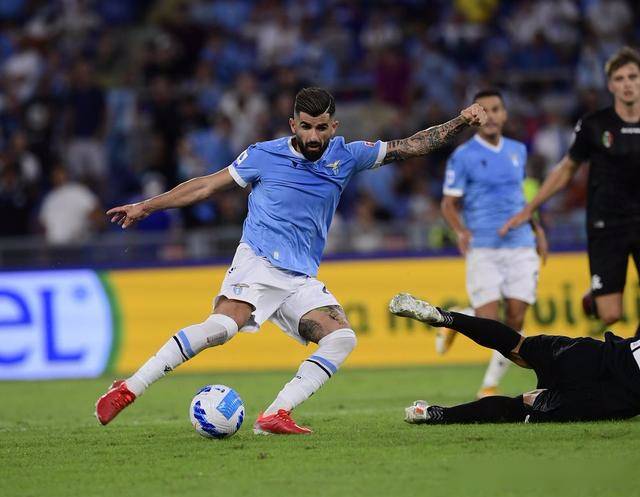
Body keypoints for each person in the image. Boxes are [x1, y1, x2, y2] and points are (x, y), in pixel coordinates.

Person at [95, 87, 487, 434]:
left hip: (299, 277)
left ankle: (275, 413)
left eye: (321, 128)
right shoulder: (263, 155)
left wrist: (461, 121)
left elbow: (412, 145)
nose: (313, 136)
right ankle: (130, 387)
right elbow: (206, 186)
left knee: (341, 338)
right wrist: (147, 206)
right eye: (306, 127)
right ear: (293, 124)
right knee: (223, 327)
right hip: (258, 262)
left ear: (334, 126)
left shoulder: (347, 155)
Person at [501, 46, 640, 337]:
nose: (627, 84)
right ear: (610, 85)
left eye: (633, 77)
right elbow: (566, 169)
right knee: (611, 314)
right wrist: (529, 208)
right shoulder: (595, 125)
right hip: (607, 223)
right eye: (620, 78)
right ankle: (594, 299)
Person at [440, 90, 547, 398]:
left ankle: (489, 385)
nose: (490, 115)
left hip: (521, 243)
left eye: (496, 109)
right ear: (475, 117)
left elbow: (519, 198)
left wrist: (537, 228)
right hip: (484, 246)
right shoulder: (463, 156)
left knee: (515, 318)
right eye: (483, 110)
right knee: (489, 323)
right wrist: (461, 231)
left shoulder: (518, 150)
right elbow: (448, 204)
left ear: (505, 114)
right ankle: (460, 316)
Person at [389, 293, 640, 424]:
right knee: (524, 405)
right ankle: (434, 414)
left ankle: (444, 317)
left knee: (518, 346)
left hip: (599, 354)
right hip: (613, 394)